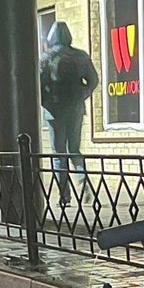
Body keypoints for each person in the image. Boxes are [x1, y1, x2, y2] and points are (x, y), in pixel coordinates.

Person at [39, 21, 99, 207]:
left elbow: (40, 85)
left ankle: (64, 197)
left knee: (58, 154)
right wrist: (81, 96)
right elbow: (94, 80)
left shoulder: (46, 57)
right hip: (75, 110)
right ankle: (83, 179)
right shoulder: (81, 56)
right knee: (74, 149)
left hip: (54, 112)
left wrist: (46, 103)